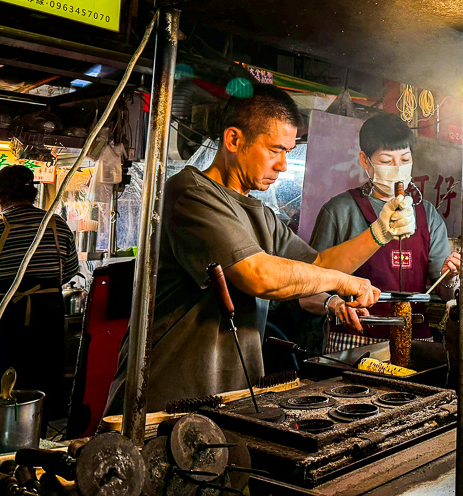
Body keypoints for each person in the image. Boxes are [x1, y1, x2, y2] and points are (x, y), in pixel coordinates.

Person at [106, 84, 413, 413]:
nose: (282, 165)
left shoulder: (260, 214)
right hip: (165, 400)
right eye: (275, 150)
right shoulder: (190, 194)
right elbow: (258, 275)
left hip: (231, 397)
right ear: (234, 140)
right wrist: (342, 283)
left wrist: (379, 232)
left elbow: (321, 263)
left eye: (287, 152)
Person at [303, 114, 460, 349]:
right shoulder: (339, 211)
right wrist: (334, 304)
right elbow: (306, 290)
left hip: (415, 341)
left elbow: (446, 292)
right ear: (365, 161)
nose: (397, 169)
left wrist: (450, 276)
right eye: (386, 161)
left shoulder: (427, 214)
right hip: (353, 341)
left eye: (405, 159)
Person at [0, 165, 78, 416]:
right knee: (38, 390)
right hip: (45, 319)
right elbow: (69, 271)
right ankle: (35, 444)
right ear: (33, 193)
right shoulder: (58, 226)